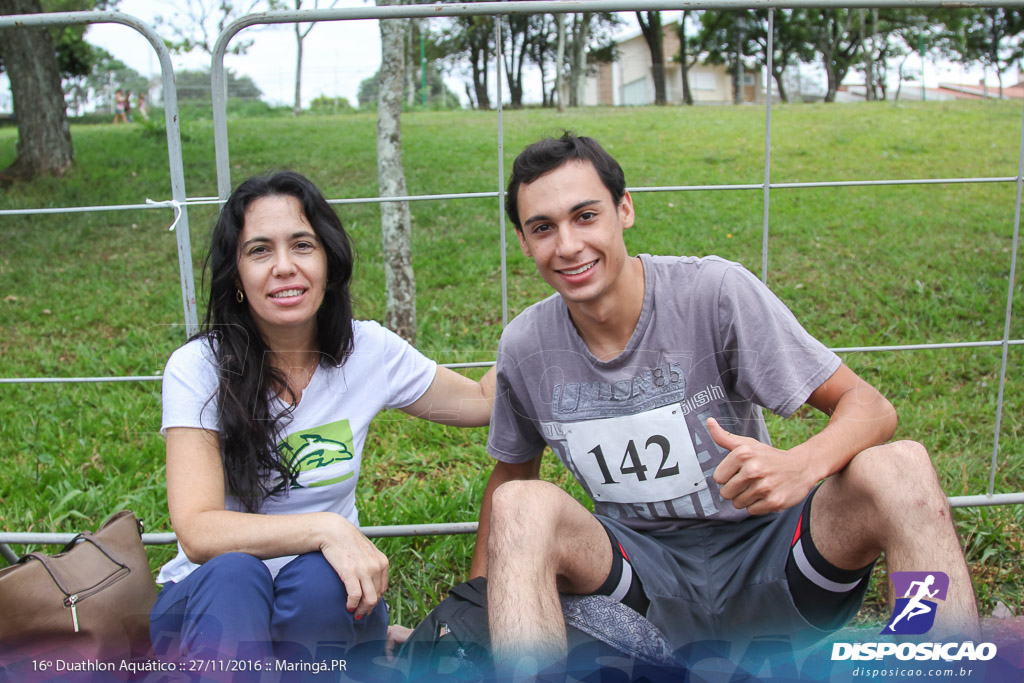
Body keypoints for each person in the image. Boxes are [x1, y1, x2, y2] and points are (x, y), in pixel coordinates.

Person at [471, 132, 980, 674]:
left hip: (776, 562)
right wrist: (477, 610)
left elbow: (870, 406)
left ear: (624, 210)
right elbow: (511, 481)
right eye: (542, 228)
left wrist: (799, 465)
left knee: (900, 467)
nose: (568, 245)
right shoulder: (526, 346)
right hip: (636, 589)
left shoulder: (713, 293)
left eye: (586, 216)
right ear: (524, 243)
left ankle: (935, 659)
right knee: (520, 505)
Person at [151, 170, 494, 668]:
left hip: (321, 605)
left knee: (319, 579)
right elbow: (198, 531)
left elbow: (481, 402)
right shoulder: (199, 367)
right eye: (260, 250)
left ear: (328, 262)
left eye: (302, 245)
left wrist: (564, 314)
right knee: (236, 574)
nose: (284, 267)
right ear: (237, 276)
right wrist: (328, 529)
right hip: (206, 609)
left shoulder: (366, 351)